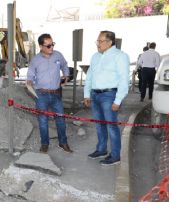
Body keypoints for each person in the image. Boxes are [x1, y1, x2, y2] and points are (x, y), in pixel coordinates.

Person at [83, 30, 130, 166]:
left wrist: (118, 100)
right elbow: (90, 76)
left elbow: (124, 80)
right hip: (95, 95)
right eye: (97, 41)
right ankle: (101, 149)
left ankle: (115, 156)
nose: (98, 44)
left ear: (110, 42)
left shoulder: (120, 56)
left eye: (100, 41)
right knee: (99, 125)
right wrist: (87, 94)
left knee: (111, 126)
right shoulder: (95, 57)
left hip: (110, 96)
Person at [26, 33, 72, 153]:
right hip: (42, 95)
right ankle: (45, 144)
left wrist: (66, 75)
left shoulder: (58, 55)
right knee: (43, 121)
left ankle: (63, 143)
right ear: (41, 46)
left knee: (61, 119)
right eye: (48, 46)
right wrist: (29, 82)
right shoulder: (35, 60)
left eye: (52, 44)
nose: (51, 47)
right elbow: (30, 76)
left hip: (56, 94)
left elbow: (64, 65)